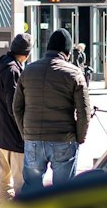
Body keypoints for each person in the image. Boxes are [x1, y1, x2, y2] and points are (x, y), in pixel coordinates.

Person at [14, 28, 89, 189]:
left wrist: (26, 133)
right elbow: (84, 112)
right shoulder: (74, 73)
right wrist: (79, 138)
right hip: (63, 138)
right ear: (67, 52)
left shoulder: (28, 70)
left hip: (33, 138)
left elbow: (17, 107)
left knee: (32, 189)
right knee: (63, 192)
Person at [0, 34, 31, 198]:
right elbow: (15, 107)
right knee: (20, 184)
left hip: (0, 134)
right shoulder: (13, 70)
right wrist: (25, 131)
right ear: (27, 54)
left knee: (4, 181)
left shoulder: (0, 64)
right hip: (14, 137)